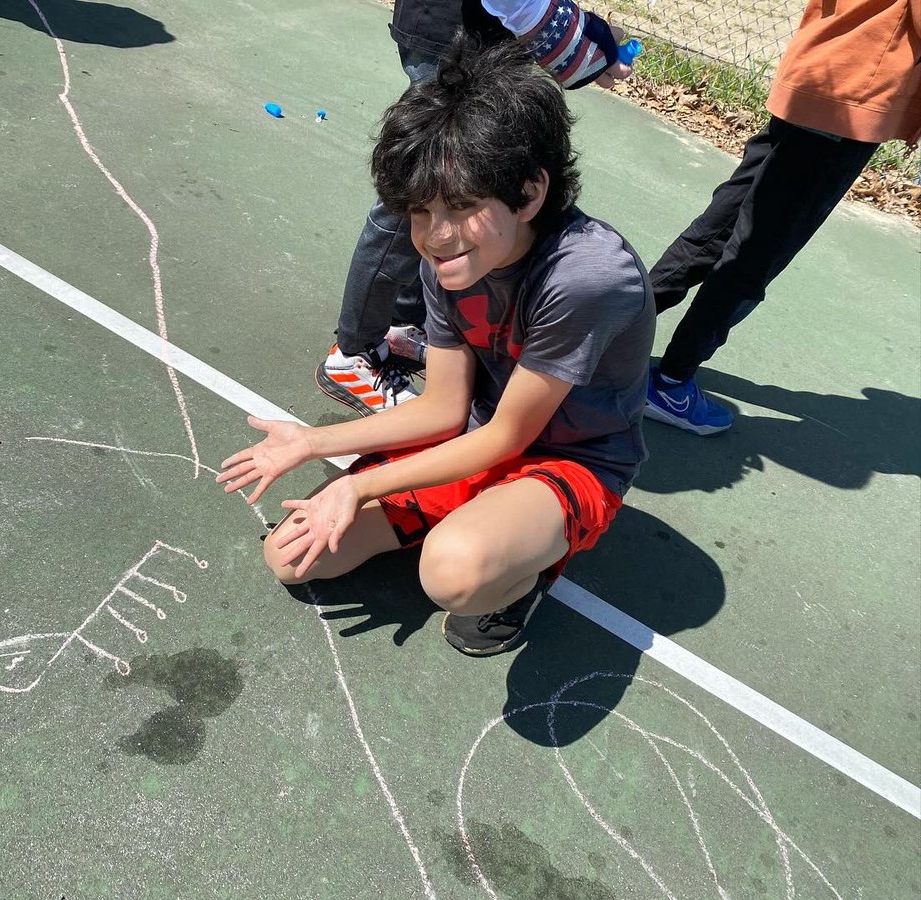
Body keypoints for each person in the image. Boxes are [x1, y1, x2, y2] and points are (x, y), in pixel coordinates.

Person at [219, 36, 655, 657]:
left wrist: (360, 487)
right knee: (290, 555)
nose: (435, 235)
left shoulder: (584, 277)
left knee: (452, 572)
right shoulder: (451, 257)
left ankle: (521, 575)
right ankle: (461, 516)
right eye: (420, 212)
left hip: (570, 458)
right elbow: (445, 409)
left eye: (463, 206)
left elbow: (511, 438)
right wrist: (312, 442)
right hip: (474, 435)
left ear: (530, 193)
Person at [317, 0, 634, 417]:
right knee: (425, 191)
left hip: (490, 32)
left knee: (451, 199)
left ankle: (402, 325)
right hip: (458, 30)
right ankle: (353, 351)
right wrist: (573, 39)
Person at [644, 0, 921, 435]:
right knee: (755, 255)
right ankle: (670, 381)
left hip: (818, 71)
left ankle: (598, 331)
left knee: (719, 230)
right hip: (852, 101)